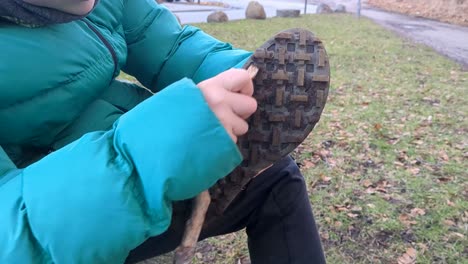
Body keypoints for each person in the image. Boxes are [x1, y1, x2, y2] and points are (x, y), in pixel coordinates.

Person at [0, 0, 327, 263]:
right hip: (74, 220)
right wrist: (156, 156)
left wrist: (249, 79)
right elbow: (11, 235)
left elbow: (169, 47)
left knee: (276, 178)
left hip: (144, 160)